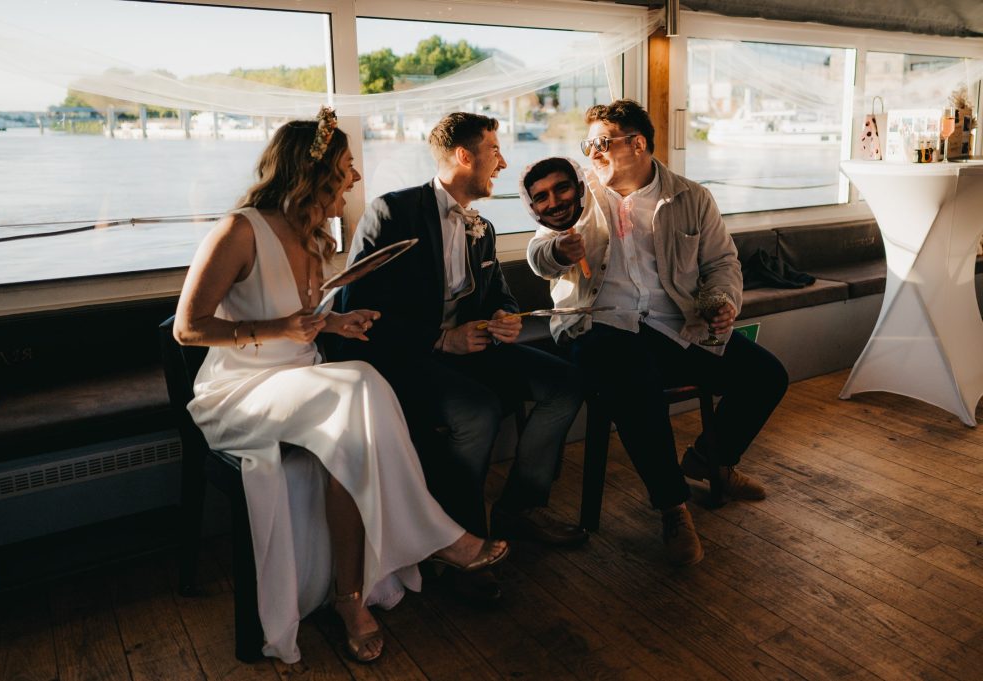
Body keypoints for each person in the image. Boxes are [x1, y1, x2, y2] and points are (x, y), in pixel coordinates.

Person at [174, 109, 507, 664]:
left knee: (355, 416)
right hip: (241, 391)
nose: (354, 179)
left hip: (304, 379)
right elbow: (189, 328)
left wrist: (333, 323)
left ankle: (352, 596)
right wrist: (281, 328)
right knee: (358, 384)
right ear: (316, 172)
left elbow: (299, 314)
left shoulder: (316, 237)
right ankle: (438, 537)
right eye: (347, 167)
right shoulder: (239, 230)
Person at [525, 101, 789, 567]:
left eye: (600, 143)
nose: (592, 154)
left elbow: (723, 264)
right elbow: (539, 249)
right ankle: (672, 507)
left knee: (767, 375)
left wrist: (724, 302)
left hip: (676, 325)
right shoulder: (582, 195)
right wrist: (559, 250)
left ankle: (710, 461)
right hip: (597, 324)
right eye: (588, 145)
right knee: (632, 376)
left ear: (637, 143)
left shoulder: (692, 197)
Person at [339, 112, 587, 602]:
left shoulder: (483, 227)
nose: (502, 162)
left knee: (567, 384)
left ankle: (520, 508)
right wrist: (438, 340)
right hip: (405, 357)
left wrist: (507, 318)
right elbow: (356, 309)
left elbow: (500, 295)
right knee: (478, 411)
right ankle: (459, 544)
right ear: (464, 156)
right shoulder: (392, 212)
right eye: (495, 151)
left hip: (473, 349)